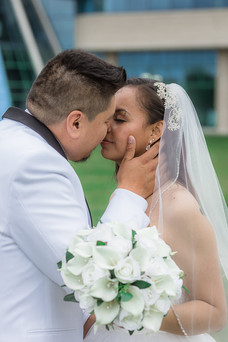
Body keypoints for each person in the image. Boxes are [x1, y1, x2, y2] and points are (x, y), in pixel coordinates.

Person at [0, 52, 159, 342]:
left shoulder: (11, 141)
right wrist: (130, 192)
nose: (107, 133)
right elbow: (91, 273)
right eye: (107, 121)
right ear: (75, 123)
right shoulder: (34, 164)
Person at [84, 78, 228, 341]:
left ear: (156, 130)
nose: (106, 128)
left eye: (119, 118)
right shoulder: (128, 194)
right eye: (107, 118)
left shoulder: (178, 207)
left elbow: (215, 313)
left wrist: (131, 310)